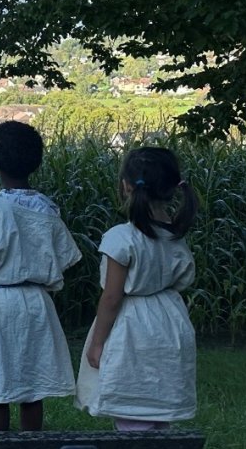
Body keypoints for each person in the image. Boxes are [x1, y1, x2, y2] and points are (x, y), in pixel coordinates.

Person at [0, 120, 81, 431]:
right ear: (36, 162)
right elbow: (64, 257)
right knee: (32, 387)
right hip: (36, 302)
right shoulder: (48, 210)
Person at [76, 146, 197, 428]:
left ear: (126, 186)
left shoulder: (121, 238)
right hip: (170, 323)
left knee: (132, 402)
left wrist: (97, 343)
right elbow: (182, 280)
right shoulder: (174, 237)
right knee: (159, 405)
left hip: (131, 327)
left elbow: (112, 297)